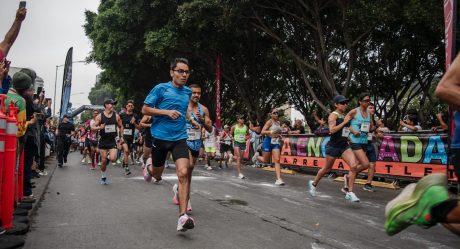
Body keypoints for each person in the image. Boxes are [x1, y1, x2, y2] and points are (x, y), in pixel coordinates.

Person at [141, 58, 200, 232]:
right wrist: (165, 112)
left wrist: (191, 119)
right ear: (171, 72)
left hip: (180, 138)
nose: (184, 75)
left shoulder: (187, 92)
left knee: (184, 172)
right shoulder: (161, 89)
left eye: (186, 72)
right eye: (180, 71)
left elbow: (185, 109)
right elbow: (145, 109)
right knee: (157, 175)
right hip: (160, 138)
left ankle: (182, 217)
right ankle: (149, 167)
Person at [308, 96, 357, 197]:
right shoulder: (333, 115)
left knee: (354, 166)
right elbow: (332, 130)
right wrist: (344, 122)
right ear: (336, 104)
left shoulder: (344, 115)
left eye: (346, 103)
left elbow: (346, 127)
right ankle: (313, 184)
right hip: (333, 146)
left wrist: (353, 132)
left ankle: (350, 192)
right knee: (326, 169)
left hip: (344, 145)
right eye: (342, 103)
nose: (345, 105)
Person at [343, 92, 374, 202]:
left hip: (364, 141)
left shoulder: (369, 114)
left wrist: (374, 127)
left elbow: (370, 128)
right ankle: (350, 189)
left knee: (355, 166)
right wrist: (352, 131)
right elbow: (344, 122)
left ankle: (348, 183)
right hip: (354, 141)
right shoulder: (354, 111)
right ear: (360, 102)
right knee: (365, 164)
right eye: (365, 100)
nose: (368, 102)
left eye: (369, 100)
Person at [91, 99, 124, 184]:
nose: (113, 105)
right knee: (104, 160)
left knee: (113, 158)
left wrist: (121, 137)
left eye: (113, 104)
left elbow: (121, 126)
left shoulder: (116, 116)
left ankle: (108, 158)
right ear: (106, 105)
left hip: (112, 140)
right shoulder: (100, 116)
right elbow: (93, 127)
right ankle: (103, 176)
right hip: (103, 141)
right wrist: (100, 128)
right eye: (111, 104)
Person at [257, 109, 285, 185]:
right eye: (274, 113)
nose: (276, 114)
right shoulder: (269, 122)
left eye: (277, 113)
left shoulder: (278, 122)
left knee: (277, 160)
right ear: (271, 114)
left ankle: (278, 179)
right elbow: (262, 132)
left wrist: (279, 135)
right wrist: (270, 132)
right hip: (268, 141)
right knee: (265, 160)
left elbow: (278, 131)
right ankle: (257, 157)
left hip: (275, 142)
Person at [120, 100, 140, 175]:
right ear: (126, 106)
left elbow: (139, 127)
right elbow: (120, 126)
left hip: (131, 137)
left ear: (133, 107)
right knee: (126, 151)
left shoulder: (135, 116)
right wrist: (121, 136)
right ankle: (127, 168)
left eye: (131, 106)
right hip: (124, 136)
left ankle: (124, 162)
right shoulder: (122, 115)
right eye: (129, 105)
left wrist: (134, 123)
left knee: (127, 152)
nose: (130, 107)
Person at [363, 103, 378, 192]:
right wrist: (377, 126)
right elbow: (366, 130)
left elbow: (373, 131)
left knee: (372, 164)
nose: (373, 109)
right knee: (359, 165)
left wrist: (377, 130)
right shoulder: (363, 118)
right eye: (370, 108)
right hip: (362, 143)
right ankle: (348, 178)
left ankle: (368, 184)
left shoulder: (372, 119)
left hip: (370, 143)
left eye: (373, 108)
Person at [231, 115, 249, 179]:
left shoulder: (246, 127)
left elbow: (248, 134)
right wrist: (232, 137)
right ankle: (239, 173)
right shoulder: (234, 127)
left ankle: (234, 158)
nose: (242, 120)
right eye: (241, 118)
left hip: (243, 143)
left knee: (241, 158)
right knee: (238, 157)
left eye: (243, 118)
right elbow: (231, 134)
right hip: (236, 142)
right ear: (238, 120)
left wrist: (246, 137)